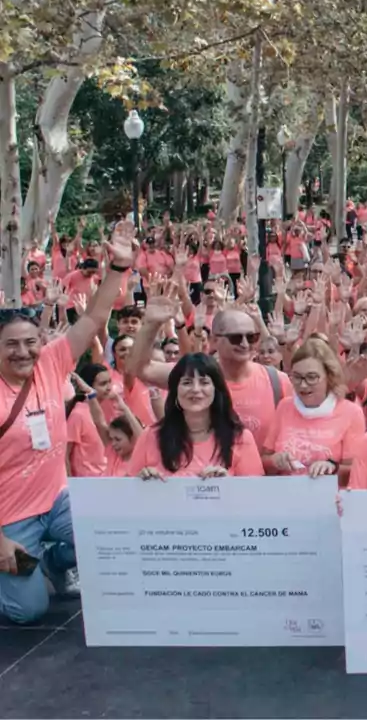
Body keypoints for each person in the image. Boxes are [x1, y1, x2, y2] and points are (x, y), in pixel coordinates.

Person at [0, 227, 136, 623]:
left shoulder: (51, 361)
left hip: (58, 501)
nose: (23, 352)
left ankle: (51, 558)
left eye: (30, 342)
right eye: (11, 345)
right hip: (9, 519)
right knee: (28, 613)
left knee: (111, 533)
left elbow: (95, 318)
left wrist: (119, 266)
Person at [131, 298, 292, 450]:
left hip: (266, 476)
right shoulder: (195, 377)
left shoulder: (277, 381)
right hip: (208, 475)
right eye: (235, 337)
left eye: (251, 337)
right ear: (214, 340)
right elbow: (142, 369)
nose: (244, 344)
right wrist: (151, 325)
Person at [128, 354, 264, 480]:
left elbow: (255, 497)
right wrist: (141, 483)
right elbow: (126, 494)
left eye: (204, 382)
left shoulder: (240, 438)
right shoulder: (151, 436)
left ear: (216, 390)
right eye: (187, 382)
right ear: (175, 391)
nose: (195, 389)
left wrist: (227, 487)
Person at [263, 338, 365, 483]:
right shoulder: (284, 406)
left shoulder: (351, 412)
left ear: (329, 376)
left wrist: (332, 468)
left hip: (330, 500)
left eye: (311, 377)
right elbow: (264, 461)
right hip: (286, 496)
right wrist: (275, 461)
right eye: (297, 377)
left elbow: (358, 470)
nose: (303, 385)